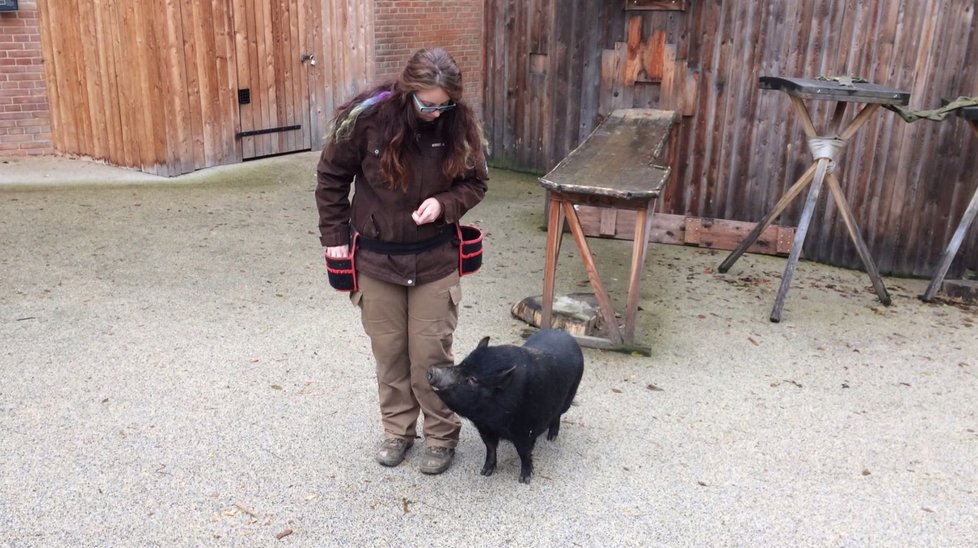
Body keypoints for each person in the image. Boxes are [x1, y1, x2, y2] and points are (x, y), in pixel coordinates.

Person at [315, 48, 488, 475]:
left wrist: (445, 204)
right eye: (426, 103)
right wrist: (335, 238)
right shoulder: (364, 118)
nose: (435, 112)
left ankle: (441, 437)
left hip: (434, 261)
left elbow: (476, 182)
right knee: (390, 353)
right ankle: (398, 432)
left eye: (443, 103)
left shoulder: (459, 124)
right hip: (377, 261)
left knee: (430, 355)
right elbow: (331, 178)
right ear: (406, 91)